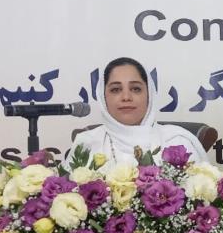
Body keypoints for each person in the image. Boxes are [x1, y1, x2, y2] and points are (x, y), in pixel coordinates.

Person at [69, 57, 207, 166]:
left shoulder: (177, 142)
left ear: (149, 95)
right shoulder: (86, 143)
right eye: (116, 90)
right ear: (103, 97)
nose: (126, 97)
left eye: (136, 89)